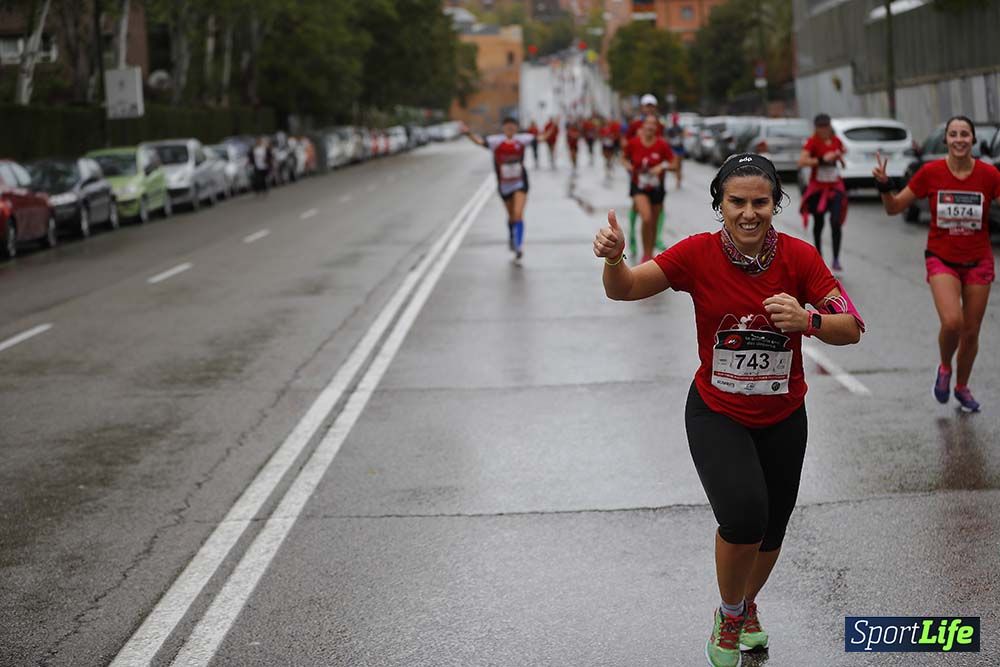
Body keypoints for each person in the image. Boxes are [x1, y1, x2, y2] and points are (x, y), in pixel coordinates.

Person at [593, 153, 864, 667]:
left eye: (760, 202)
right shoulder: (696, 254)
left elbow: (850, 325)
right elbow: (625, 289)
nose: (748, 213)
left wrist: (809, 321)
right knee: (744, 517)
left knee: (773, 529)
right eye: (736, 202)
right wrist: (614, 259)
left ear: (775, 204)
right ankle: (730, 613)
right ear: (719, 204)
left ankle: (746, 604)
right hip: (717, 411)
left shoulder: (801, 259)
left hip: (784, 415)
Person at [873, 115, 1000, 412]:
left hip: (979, 259)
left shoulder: (988, 175)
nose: (959, 139)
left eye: (964, 134)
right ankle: (945, 367)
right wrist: (884, 186)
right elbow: (894, 208)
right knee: (952, 322)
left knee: (971, 331)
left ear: (972, 140)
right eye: (953, 134)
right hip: (942, 258)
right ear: (946, 140)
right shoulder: (930, 173)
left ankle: (962, 386)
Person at [464, 117, 535, 262]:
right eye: (507, 126)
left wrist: (555, 126)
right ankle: (512, 235)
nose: (510, 129)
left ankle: (519, 245)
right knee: (511, 216)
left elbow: (540, 138)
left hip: (520, 182)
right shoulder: (496, 141)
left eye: (513, 126)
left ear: (516, 128)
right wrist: (468, 134)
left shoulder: (522, 140)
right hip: (504, 184)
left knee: (518, 214)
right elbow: (480, 142)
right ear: (503, 128)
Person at [622, 114, 678, 263]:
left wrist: (662, 166)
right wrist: (629, 166)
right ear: (643, 126)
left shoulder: (662, 145)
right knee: (646, 217)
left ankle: (649, 253)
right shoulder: (634, 143)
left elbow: (673, 164)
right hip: (638, 186)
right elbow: (624, 158)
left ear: (657, 128)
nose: (650, 126)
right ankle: (645, 255)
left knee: (653, 221)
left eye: (654, 124)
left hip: (656, 188)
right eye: (648, 123)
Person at [798, 113, 848, 271]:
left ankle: (836, 259)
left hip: (835, 187)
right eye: (820, 127)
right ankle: (818, 257)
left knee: (835, 222)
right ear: (816, 128)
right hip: (818, 188)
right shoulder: (812, 142)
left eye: (826, 126)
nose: (823, 130)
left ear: (829, 126)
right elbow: (802, 161)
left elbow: (843, 154)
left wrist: (839, 157)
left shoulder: (836, 141)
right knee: (818, 223)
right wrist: (821, 160)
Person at [623, 95, 668, 254]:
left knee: (657, 208)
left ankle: (656, 238)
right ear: (642, 107)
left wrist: (661, 164)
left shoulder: (660, 125)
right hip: (639, 172)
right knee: (639, 207)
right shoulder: (635, 124)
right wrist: (631, 164)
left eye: (652, 106)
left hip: (656, 174)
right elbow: (625, 144)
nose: (649, 108)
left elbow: (665, 146)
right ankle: (633, 237)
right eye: (646, 106)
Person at [667, 114, 686, 189]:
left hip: (679, 149)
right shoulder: (671, 129)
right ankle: (678, 179)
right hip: (674, 149)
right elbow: (667, 138)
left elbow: (683, 136)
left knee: (679, 166)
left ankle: (678, 180)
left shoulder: (678, 128)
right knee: (677, 165)